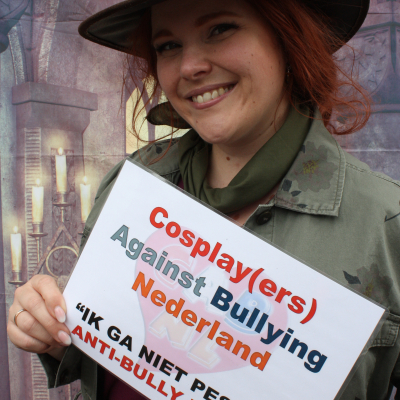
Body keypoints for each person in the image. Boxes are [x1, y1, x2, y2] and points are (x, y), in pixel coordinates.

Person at [7, 0, 400, 399]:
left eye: (220, 29)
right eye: (168, 46)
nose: (190, 66)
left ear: (288, 39)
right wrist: (52, 328)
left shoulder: (385, 225)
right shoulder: (134, 183)